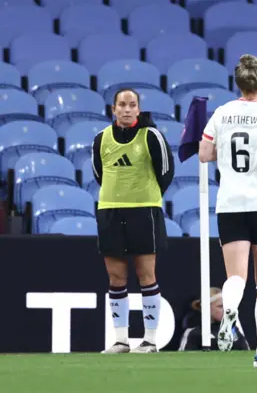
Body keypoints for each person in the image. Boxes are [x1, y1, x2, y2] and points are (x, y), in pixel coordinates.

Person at [198, 54, 257, 368]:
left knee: (235, 276)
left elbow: (204, 153)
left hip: (230, 204)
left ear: (237, 84)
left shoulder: (222, 113)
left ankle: (230, 308)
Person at [93, 88, 175, 354]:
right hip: (110, 211)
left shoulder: (150, 135)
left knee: (146, 275)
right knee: (116, 277)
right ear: (113, 109)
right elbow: (98, 172)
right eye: (121, 105)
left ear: (138, 109)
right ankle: (120, 340)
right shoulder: (100, 139)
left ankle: (150, 339)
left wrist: (145, 195)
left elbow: (166, 171)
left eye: (132, 105)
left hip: (144, 211)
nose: (127, 110)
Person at [178, 287, 250, 351]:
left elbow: (247, 356)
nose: (225, 310)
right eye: (220, 306)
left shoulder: (234, 330)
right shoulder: (194, 333)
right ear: (207, 308)